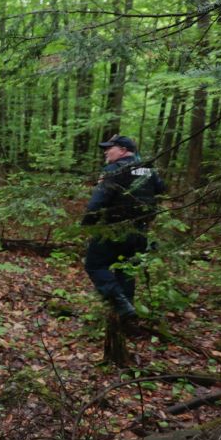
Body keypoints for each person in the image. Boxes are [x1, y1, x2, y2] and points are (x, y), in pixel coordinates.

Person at [82, 134, 165, 319]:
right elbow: (161, 188)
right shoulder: (148, 169)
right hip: (140, 231)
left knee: (94, 265)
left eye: (109, 148)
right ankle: (125, 316)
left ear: (123, 150)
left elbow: (98, 200)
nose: (105, 151)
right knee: (126, 271)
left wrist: (87, 222)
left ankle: (119, 302)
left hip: (114, 229)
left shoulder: (114, 170)